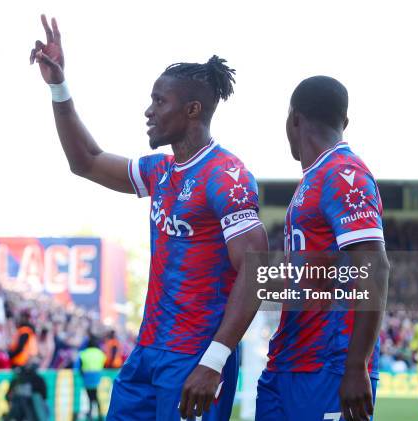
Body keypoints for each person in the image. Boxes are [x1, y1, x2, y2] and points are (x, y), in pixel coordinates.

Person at [31, 15, 268, 420]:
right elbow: (85, 161)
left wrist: (215, 358)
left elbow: (256, 269)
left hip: (196, 356)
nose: (148, 111)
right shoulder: (160, 171)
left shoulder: (226, 176)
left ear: (193, 110)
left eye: (160, 102)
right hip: (148, 352)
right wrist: (58, 85)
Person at [255, 76, 390, 421]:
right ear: (344, 122)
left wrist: (356, 365)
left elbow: (374, 267)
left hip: (328, 365)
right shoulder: (314, 179)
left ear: (293, 119)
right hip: (288, 361)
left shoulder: (344, 173)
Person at [77, 336, 106, 421]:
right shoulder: (100, 353)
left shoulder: (83, 353)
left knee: (90, 396)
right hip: (97, 376)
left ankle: (91, 413)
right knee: (96, 395)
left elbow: (79, 366)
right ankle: (100, 413)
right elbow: (104, 363)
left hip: (87, 377)